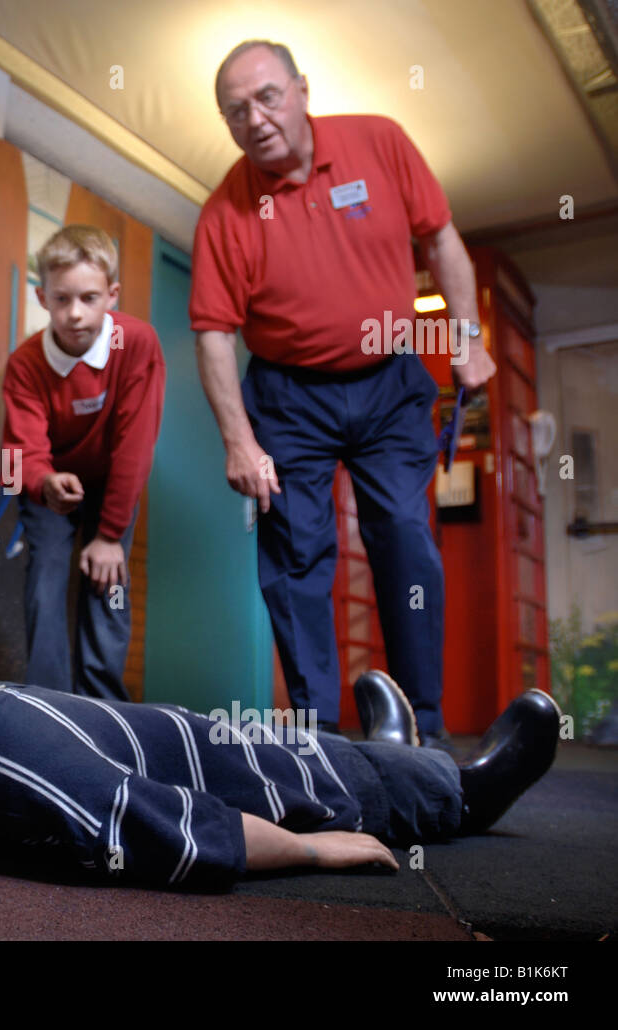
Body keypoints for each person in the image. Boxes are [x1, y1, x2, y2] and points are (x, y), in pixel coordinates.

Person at [189, 40, 497, 747]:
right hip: (288, 398)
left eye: (267, 96)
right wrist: (239, 440)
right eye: (236, 112)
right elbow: (212, 333)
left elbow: (443, 239)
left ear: (301, 89)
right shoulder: (225, 214)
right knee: (295, 554)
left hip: (389, 383)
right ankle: (315, 733)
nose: (255, 118)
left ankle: (424, 723)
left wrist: (469, 338)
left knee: (403, 534)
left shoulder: (379, 142)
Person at [0, 635, 561, 889]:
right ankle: (461, 791)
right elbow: (181, 833)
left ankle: (391, 751)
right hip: (251, 778)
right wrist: (309, 848)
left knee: (324, 748)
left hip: (201, 737)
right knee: (340, 776)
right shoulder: (17, 762)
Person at [2, 225, 165, 700]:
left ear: (112, 295)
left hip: (114, 482)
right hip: (53, 487)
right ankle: (48, 706)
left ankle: (106, 708)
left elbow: (135, 445)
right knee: (45, 581)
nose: (75, 314)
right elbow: (21, 449)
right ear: (42, 297)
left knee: (107, 584)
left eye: (90, 298)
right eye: (61, 299)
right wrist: (45, 480)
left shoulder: (136, 344)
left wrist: (110, 535)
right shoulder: (27, 363)